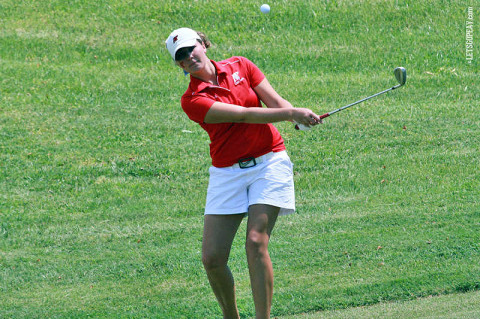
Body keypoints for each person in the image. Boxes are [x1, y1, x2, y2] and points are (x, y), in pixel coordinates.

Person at [165, 27, 321, 319]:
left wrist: (297, 117)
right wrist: (292, 114)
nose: (188, 57)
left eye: (191, 49)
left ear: (203, 44)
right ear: (179, 65)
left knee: (255, 241)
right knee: (212, 259)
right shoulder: (192, 100)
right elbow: (244, 115)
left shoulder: (242, 66)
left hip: (269, 162)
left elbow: (276, 102)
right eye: (181, 57)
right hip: (227, 174)